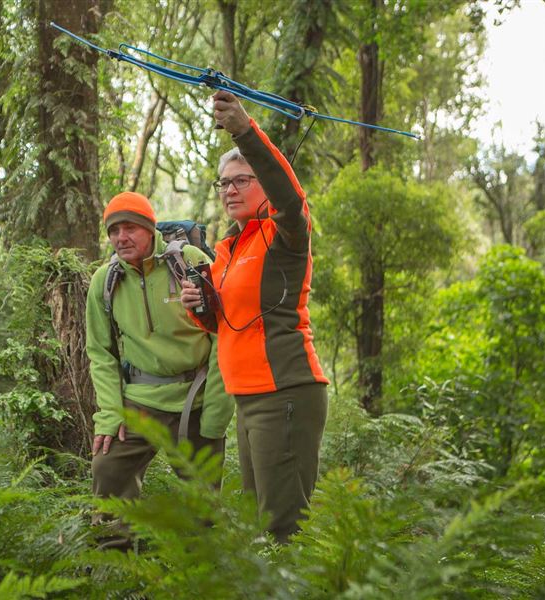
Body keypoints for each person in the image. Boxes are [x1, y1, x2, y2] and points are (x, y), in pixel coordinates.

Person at [181, 90, 329, 543]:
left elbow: (291, 198)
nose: (228, 190)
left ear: (263, 181)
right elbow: (231, 325)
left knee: (284, 529)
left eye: (240, 180)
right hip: (247, 398)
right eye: (222, 183)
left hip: (284, 390)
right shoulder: (228, 250)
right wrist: (202, 309)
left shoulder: (285, 234)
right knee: (259, 525)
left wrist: (245, 132)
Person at [86, 191, 233, 548]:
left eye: (131, 227)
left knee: (201, 501)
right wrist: (109, 414)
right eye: (114, 230)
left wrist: (216, 411)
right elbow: (101, 353)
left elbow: (224, 333)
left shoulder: (189, 261)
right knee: (108, 470)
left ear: (151, 230)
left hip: (194, 398)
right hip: (139, 401)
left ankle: (197, 572)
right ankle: (115, 566)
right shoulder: (105, 282)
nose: (122, 237)